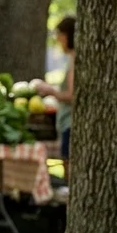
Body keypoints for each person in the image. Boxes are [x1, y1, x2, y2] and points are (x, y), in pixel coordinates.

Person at [35, 16, 76, 161]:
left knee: (68, 167)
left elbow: (72, 95)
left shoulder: (74, 59)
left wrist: (51, 91)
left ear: (65, 36)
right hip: (66, 123)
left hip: (69, 123)